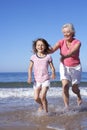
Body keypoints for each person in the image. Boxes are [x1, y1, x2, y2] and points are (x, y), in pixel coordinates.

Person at [50, 23, 82, 110]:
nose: (66, 34)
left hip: (76, 67)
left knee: (74, 88)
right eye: (64, 32)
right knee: (65, 86)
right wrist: (42, 49)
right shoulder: (61, 42)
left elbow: (73, 52)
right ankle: (67, 107)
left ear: (72, 32)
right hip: (64, 66)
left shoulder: (77, 42)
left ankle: (78, 95)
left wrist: (64, 56)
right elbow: (52, 50)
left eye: (68, 32)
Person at [27, 38, 56, 113]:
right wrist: (29, 77)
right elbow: (30, 68)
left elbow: (52, 67)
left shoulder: (48, 57)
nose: (40, 47)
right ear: (35, 47)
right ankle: (41, 105)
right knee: (36, 98)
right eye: (38, 45)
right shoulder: (33, 57)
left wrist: (53, 73)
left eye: (42, 45)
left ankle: (46, 112)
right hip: (36, 80)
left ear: (45, 46)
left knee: (42, 96)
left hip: (46, 79)